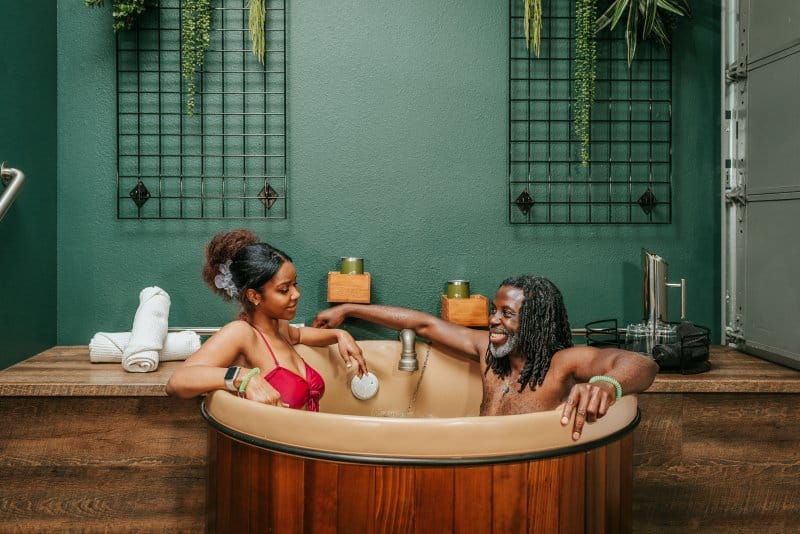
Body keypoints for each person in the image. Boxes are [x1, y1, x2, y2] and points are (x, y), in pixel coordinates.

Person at [313, 274, 658, 440]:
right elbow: (423, 323)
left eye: (507, 314)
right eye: (495, 311)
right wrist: (348, 308)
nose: (493, 320)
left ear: (535, 324)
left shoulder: (562, 364)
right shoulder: (488, 355)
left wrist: (607, 385)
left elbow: (643, 365)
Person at [166, 229, 367, 410]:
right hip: (273, 446)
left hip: (305, 441)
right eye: (284, 289)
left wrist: (339, 334)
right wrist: (243, 378)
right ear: (255, 296)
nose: (296, 294)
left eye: (295, 285)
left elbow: (301, 334)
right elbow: (177, 382)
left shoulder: (280, 328)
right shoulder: (242, 333)